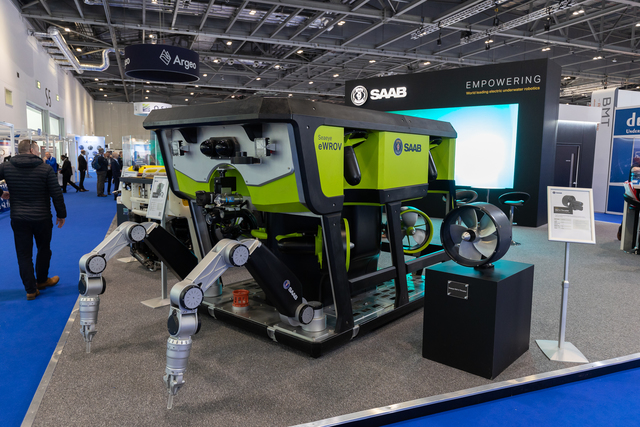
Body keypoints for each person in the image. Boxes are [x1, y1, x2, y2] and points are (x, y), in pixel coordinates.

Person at [0, 140, 66, 300]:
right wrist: (61, 214)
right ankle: (42, 281)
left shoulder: (6, 167)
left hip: (18, 218)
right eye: (37, 150)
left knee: (23, 254)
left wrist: (1, 194)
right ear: (31, 150)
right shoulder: (45, 168)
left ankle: (30, 290)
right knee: (44, 249)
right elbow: (56, 193)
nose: (39, 153)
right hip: (42, 217)